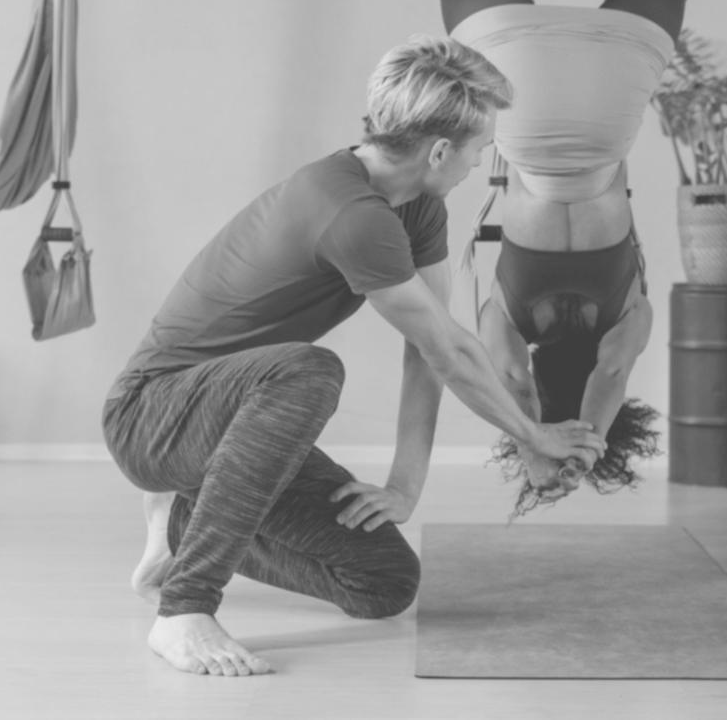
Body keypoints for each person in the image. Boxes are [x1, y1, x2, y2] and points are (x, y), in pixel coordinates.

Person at [102, 36, 607, 676]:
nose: (482, 162)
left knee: (384, 585)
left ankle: (182, 523)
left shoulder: (417, 205)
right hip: (152, 416)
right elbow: (450, 350)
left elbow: (432, 344)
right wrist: (532, 436)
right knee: (310, 371)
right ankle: (184, 609)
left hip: (234, 422)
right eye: (482, 148)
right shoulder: (351, 212)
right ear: (441, 150)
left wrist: (404, 486)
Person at [439, 0, 685, 512]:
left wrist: (589, 442)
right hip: (525, 111)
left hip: (607, 117)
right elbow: (514, 385)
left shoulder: (628, 322)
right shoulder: (507, 327)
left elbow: (611, 375)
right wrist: (534, 444)